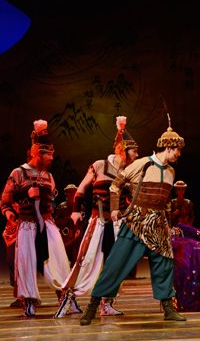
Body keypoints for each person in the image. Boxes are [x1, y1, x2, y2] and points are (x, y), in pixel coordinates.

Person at [79, 123, 186, 325]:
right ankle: (92, 306)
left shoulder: (171, 172)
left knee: (164, 264)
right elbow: (115, 185)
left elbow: (166, 202)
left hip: (158, 224)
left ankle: (168, 308)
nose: (179, 154)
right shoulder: (142, 164)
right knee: (116, 263)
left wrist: (168, 224)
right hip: (137, 220)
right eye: (177, 150)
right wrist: (114, 209)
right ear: (168, 147)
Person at [55, 116, 139, 318]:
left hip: (117, 224)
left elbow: (130, 200)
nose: (137, 154)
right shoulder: (100, 165)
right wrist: (76, 210)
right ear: (123, 150)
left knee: (115, 264)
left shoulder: (129, 173)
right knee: (87, 260)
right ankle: (69, 297)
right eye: (134, 151)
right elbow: (82, 188)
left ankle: (107, 303)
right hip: (99, 221)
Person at [0, 119, 72, 317]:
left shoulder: (49, 176)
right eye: (49, 155)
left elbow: (52, 202)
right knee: (27, 263)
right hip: (27, 225)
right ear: (38, 153)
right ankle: (29, 302)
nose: (52, 158)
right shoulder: (18, 173)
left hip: (47, 224)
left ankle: (66, 298)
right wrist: (12, 211)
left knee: (58, 261)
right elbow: (5, 201)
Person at [53, 184, 81, 266]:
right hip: (65, 236)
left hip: (77, 235)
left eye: (73, 191)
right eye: (69, 192)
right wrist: (67, 218)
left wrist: (79, 229)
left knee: (76, 257)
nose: (72, 194)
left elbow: (84, 220)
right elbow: (56, 221)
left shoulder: (79, 206)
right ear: (66, 193)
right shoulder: (61, 206)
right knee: (64, 257)